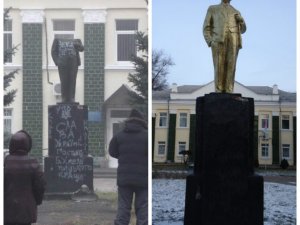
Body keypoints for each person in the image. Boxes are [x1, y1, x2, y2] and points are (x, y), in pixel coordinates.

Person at [109, 109, 148, 225]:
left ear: (128, 121)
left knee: (123, 207)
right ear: (142, 121)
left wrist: (123, 157)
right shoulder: (147, 136)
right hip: (143, 179)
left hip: (124, 178)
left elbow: (112, 152)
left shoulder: (119, 136)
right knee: (143, 208)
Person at [203, 0, 246, 93]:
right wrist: (210, 41)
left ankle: (229, 89)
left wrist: (241, 20)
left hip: (234, 40)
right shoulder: (213, 8)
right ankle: (219, 89)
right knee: (219, 65)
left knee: (231, 65)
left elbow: (243, 30)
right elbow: (206, 27)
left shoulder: (236, 11)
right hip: (218, 39)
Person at [4, 130, 46, 225]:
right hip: (26, 211)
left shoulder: (5, 163)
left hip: (6, 211)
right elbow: (40, 186)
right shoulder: (34, 164)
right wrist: (36, 201)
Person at [51, 38, 84, 103]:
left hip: (73, 63)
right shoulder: (57, 40)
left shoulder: (77, 40)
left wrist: (78, 45)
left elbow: (82, 49)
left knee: (72, 80)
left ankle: (72, 98)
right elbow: (53, 51)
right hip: (62, 63)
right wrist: (57, 62)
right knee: (63, 80)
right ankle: (64, 98)